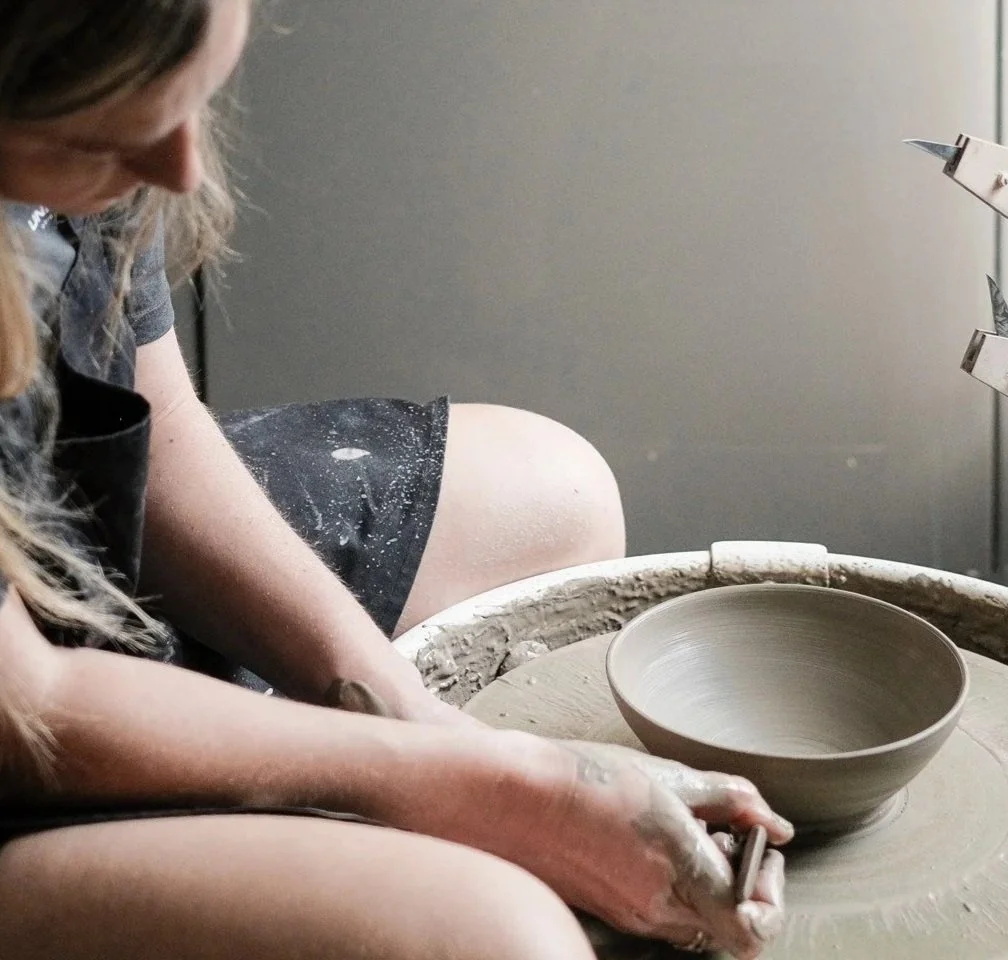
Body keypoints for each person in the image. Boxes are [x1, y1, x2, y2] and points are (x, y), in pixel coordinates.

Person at [0, 2, 791, 958]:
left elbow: (156, 427)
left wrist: (412, 717)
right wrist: (499, 788)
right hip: (22, 721)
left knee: (562, 500)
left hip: (48, 542)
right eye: (97, 136)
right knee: (505, 939)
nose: (182, 169)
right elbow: (30, 708)